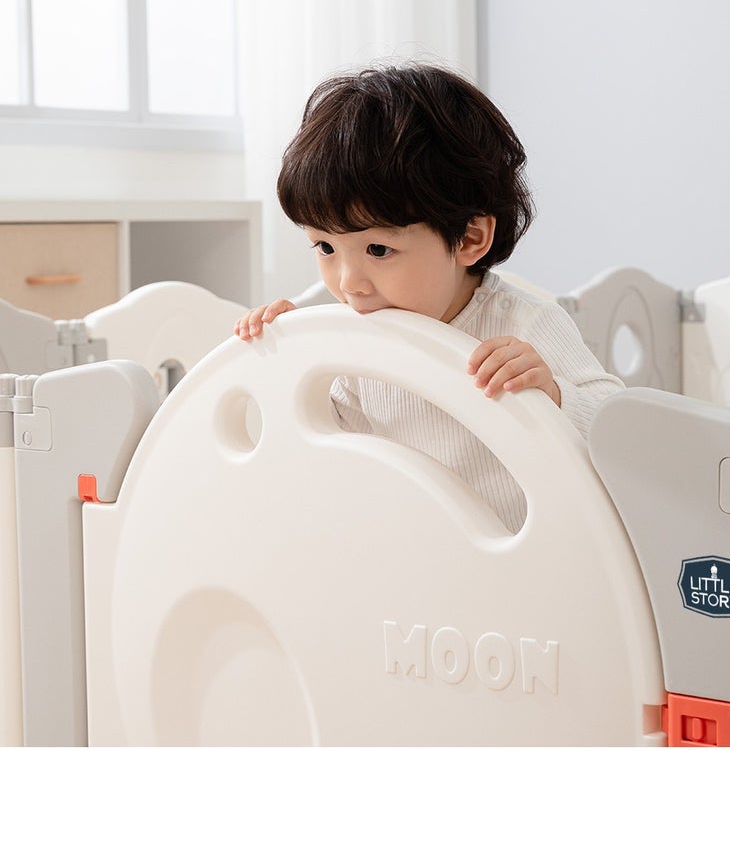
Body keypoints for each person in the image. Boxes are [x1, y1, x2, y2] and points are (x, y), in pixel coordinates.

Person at [235, 62, 624, 533]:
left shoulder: (522, 325)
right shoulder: (351, 337)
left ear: (469, 239)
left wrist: (553, 395)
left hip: (521, 559)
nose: (349, 282)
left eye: (378, 249)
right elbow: (318, 448)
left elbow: (616, 426)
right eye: (325, 247)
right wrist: (293, 363)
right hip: (405, 558)